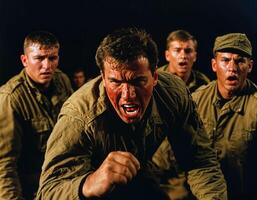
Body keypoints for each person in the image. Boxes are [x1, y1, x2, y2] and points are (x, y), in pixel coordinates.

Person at [36, 27, 227, 200]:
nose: (128, 95)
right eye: (116, 82)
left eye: (138, 81)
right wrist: (88, 184)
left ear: (155, 77)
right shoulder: (79, 116)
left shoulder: (173, 94)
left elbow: (199, 160)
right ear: (103, 78)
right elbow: (48, 191)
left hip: (139, 178)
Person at [0, 31, 73, 199]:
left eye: (52, 58)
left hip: (66, 179)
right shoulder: (10, 98)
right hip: (34, 189)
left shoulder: (62, 80)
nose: (47, 66)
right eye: (39, 58)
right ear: (25, 60)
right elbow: (5, 165)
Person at [192, 33, 257, 199]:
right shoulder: (196, 100)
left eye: (240, 61)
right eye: (225, 60)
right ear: (214, 65)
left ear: (250, 66)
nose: (232, 68)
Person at [153, 29, 211, 199]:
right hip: (155, 161)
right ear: (167, 55)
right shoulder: (153, 82)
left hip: (187, 163)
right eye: (177, 50)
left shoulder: (204, 85)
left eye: (188, 50)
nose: (183, 55)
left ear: (195, 56)